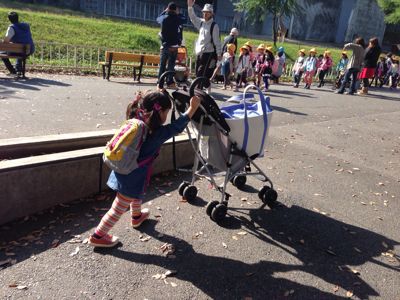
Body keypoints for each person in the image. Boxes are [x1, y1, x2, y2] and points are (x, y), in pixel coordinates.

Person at [88, 91, 201, 247]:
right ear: (159, 112)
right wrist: (191, 110)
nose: (166, 116)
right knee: (118, 208)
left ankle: (136, 216)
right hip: (132, 176)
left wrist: (156, 94)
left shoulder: (137, 118)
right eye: (166, 112)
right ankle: (98, 236)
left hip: (125, 170)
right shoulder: (156, 133)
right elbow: (175, 127)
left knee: (137, 194)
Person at [187, 0, 222, 92]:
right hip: (199, 51)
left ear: (211, 14)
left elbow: (217, 41)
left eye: (207, 13)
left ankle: (199, 90)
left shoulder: (214, 26)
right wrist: (190, 7)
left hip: (208, 52)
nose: (205, 14)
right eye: (204, 12)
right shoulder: (202, 23)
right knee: (199, 71)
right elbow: (193, 18)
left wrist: (219, 54)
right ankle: (207, 85)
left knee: (201, 71)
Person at [156, 2, 187, 88]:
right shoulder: (178, 19)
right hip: (174, 46)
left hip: (165, 46)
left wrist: (164, 11)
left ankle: (160, 82)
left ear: (168, 9)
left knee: (162, 65)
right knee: (171, 65)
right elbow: (185, 19)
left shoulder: (163, 18)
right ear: (175, 10)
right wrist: (178, 13)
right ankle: (169, 81)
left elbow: (157, 18)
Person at [1, 11, 35, 76]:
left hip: (18, 50)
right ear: (17, 18)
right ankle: (18, 71)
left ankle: (13, 71)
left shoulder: (12, 27)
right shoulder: (26, 26)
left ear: (9, 19)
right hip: (30, 49)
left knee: (2, 53)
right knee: (20, 51)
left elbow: (6, 41)